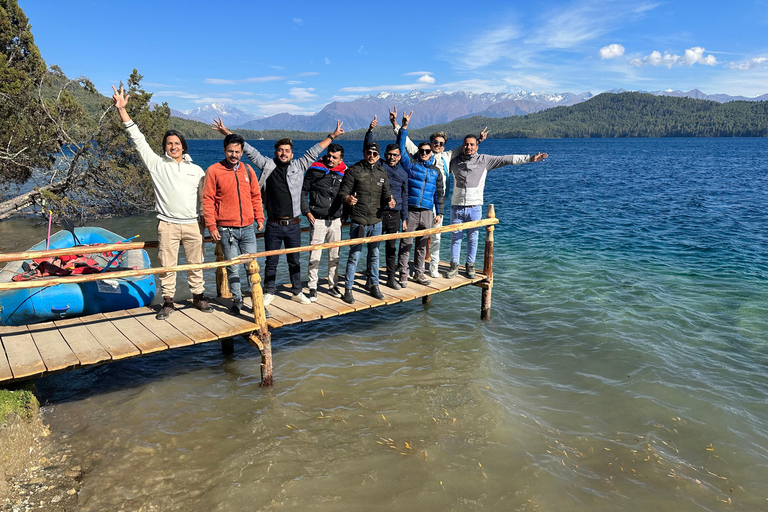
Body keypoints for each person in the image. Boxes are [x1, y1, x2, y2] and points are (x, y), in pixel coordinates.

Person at [212, 118, 344, 306]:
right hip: (273, 223)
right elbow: (250, 151)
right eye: (280, 150)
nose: (284, 153)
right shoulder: (267, 165)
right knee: (271, 260)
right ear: (276, 152)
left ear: (291, 153)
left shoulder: (299, 166)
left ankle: (297, 291)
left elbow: (315, 150)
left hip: (294, 224)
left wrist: (332, 136)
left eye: (287, 151)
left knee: (294, 260)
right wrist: (228, 134)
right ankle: (269, 291)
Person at [112, 85, 210, 320]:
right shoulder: (157, 165)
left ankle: (198, 296)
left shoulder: (197, 170)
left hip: (192, 224)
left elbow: (204, 198)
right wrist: (122, 111)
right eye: (169, 144)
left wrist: (206, 221)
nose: (173, 146)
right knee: (166, 265)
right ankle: (168, 301)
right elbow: (138, 140)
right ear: (165, 147)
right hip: (167, 224)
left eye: (177, 143)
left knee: (196, 262)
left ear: (183, 146)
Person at [390, 105, 487, 278]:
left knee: (436, 237)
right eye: (435, 143)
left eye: (441, 143)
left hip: (437, 202)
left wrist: (478, 140)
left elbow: (466, 147)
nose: (437, 146)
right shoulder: (419, 155)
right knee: (411, 239)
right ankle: (406, 269)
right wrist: (397, 125)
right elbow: (405, 143)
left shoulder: (448, 155)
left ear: (444, 145)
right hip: (418, 204)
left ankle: (433, 266)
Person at [447, 135, 548, 278]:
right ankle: (454, 266)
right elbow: (440, 163)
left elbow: (506, 159)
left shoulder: (484, 160)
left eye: (472, 144)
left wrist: (529, 158)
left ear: (477, 147)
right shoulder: (454, 162)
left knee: (473, 238)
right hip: (456, 207)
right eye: (466, 144)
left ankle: (470, 266)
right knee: (455, 238)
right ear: (462, 146)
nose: (468, 147)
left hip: (475, 206)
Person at [202, 133, 268, 317]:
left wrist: (260, 218)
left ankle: (258, 302)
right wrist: (212, 226)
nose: (234, 155)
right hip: (225, 229)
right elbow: (207, 200)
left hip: (248, 228)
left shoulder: (248, 170)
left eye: (237, 152)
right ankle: (237, 300)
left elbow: (256, 196)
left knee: (251, 266)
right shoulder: (214, 171)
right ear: (224, 150)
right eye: (230, 151)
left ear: (242, 152)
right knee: (232, 267)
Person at [337, 141, 396, 304]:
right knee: (354, 255)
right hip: (359, 220)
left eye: (375, 154)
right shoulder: (354, 171)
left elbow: (387, 194)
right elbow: (343, 192)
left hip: (377, 221)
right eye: (369, 153)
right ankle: (348, 289)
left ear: (378, 156)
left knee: (375, 255)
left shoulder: (382, 172)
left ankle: (374, 286)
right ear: (364, 153)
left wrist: (391, 202)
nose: (371, 156)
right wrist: (347, 198)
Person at [396, 111, 444, 287]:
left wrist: (439, 212)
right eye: (422, 151)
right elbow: (401, 149)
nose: (424, 153)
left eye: (427, 151)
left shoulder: (435, 171)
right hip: (411, 211)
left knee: (422, 246)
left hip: (427, 213)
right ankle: (403, 274)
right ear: (418, 152)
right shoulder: (411, 167)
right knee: (406, 243)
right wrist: (404, 128)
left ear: (431, 153)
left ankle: (419, 274)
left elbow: (439, 193)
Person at [364, 115, 408, 289]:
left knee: (391, 248)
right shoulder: (380, 165)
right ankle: (370, 278)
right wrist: (370, 131)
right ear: (385, 155)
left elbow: (405, 197)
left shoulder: (404, 174)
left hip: (395, 214)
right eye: (389, 155)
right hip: (378, 213)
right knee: (373, 247)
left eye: (395, 155)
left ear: (399, 157)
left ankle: (391, 277)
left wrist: (404, 218)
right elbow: (368, 149)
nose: (392, 158)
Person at [301, 143, 347, 301]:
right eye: (329, 155)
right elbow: (303, 191)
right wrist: (306, 211)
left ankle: (333, 285)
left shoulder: (343, 173)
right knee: (315, 255)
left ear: (340, 159)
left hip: (336, 221)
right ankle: (312, 287)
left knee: (335, 255)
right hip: (318, 219)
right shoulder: (315, 170)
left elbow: (346, 195)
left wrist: (345, 214)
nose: (330, 159)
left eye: (334, 157)